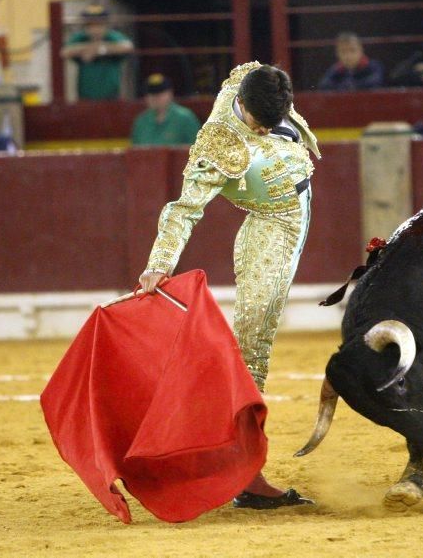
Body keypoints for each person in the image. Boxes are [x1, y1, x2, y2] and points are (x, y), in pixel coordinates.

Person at [138, 61, 320, 509]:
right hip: (271, 229)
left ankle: (235, 463)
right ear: (244, 109)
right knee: (250, 352)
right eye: (261, 124)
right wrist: (158, 263)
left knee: (250, 349)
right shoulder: (217, 146)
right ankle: (246, 476)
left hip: (292, 213)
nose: (265, 128)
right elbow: (184, 210)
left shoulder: (254, 81)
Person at [60, 5, 133, 101]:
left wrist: (100, 49)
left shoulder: (112, 36)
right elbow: (64, 52)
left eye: (98, 24)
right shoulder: (81, 37)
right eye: (90, 25)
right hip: (85, 97)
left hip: (111, 97)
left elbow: (127, 47)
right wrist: (88, 47)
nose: (95, 29)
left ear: (105, 25)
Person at [131, 74, 201, 145]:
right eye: (151, 94)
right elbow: (135, 151)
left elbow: (198, 148)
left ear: (170, 93)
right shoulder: (141, 121)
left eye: (160, 93)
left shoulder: (185, 118)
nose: (155, 98)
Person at [318, 32, 384, 91]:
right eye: (343, 51)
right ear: (337, 53)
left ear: (361, 50)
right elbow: (324, 84)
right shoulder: (336, 69)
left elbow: (375, 81)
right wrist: (342, 87)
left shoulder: (373, 66)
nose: (348, 56)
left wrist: (353, 86)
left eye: (352, 50)